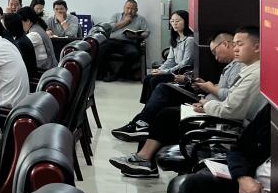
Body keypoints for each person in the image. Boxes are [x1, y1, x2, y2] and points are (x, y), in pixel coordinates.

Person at [109, 27, 263, 178]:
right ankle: (142, 136)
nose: (235, 49)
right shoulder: (245, 69)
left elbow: (230, 107)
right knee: (162, 100)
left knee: (166, 111)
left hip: (223, 120)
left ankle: (143, 148)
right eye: (234, 44)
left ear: (257, 47)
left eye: (239, 44)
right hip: (212, 106)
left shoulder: (252, 74)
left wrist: (207, 101)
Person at [164, 104, 272, 193]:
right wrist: (243, 177)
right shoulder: (276, 109)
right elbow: (240, 149)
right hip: (250, 186)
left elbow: (231, 108)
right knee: (195, 186)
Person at [113, 33, 236, 142]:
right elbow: (223, 88)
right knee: (156, 83)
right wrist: (206, 85)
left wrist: (210, 88)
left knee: (163, 88)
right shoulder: (231, 66)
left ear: (225, 44)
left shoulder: (239, 67)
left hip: (209, 102)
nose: (215, 57)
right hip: (206, 98)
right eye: (173, 21)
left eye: (214, 52)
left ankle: (141, 124)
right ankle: (140, 123)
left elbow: (231, 96)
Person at [138, 10, 196, 100]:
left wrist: (165, 71)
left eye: (178, 21)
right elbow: (170, 60)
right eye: (172, 21)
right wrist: (159, 69)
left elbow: (186, 63)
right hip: (173, 70)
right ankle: (148, 104)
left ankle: (154, 104)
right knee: (148, 78)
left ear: (186, 21)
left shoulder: (189, 40)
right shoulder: (175, 39)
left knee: (154, 80)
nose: (174, 24)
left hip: (182, 73)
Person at [100, 0, 150, 81]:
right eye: (128, 8)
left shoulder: (141, 19)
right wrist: (125, 22)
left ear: (136, 10)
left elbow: (147, 32)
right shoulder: (116, 16)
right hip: (113, 41)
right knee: (101, 48)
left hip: (129, 43)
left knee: (133, 53)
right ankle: (107, 72)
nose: (130, 11)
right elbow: (110, 28)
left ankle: (118, 74)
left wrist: (137, 36)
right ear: (124, 8)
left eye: (132, 9)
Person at [2, 13, 38, 81]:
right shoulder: (20, 37)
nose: (3, 30)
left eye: (4, 27)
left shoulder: (20, 43)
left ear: (10, 27)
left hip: (27, 79)